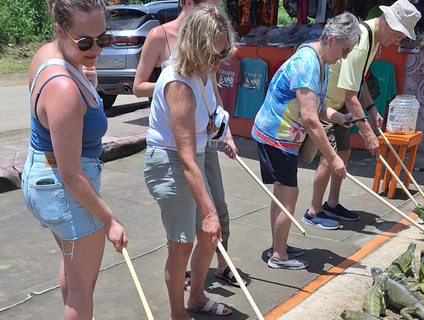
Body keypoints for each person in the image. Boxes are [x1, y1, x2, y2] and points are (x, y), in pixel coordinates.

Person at [21, 0, 128, 319]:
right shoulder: (64, 88)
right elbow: (70, 173)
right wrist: (110, 220)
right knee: (82, 290)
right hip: (63, 186)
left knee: (73, 267)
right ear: (60, 31)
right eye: (85, 42)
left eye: (103, 38)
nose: (95, 48)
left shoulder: (49, 54)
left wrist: (86, 75)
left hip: (43, 179)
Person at [133, 0, 244, 289]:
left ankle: (201, 289)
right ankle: (178, 307)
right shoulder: (178, 80)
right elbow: (185, 158)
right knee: (184, 242)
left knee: (211, 226)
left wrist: (223, 130)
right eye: (213, 57)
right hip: (174, 157)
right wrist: (209, 214)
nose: (217, 64)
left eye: (223, 56)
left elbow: (212, 99)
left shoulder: (205, 64)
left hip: (199, 147)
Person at [251, 12, 362, 270]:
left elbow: (317, 106)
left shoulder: (320, 60)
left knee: (283, 194)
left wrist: (338, 117)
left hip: (283, 135)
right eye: (345, 50)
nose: (344, 57)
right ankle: (279, 255)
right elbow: (310, 118)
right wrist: (333, 158)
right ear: (332, 39)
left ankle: (279, 245)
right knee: (288, 193)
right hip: (276, 135)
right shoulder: (309, 62)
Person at [307, 0, 421, 227]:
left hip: (339, 102)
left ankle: (332, 203)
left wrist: (372, 108)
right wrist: (369, 134)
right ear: (388, 23)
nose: (396, 42)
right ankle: (313, 211)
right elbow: (351, 97)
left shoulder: (374, 41)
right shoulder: (360, 41)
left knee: (345, 151)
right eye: (398, 36)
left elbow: (359, 81)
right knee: (329, 158)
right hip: (326, 104)